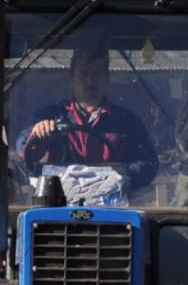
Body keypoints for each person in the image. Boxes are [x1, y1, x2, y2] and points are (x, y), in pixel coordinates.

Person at [16, 41, 158, 191]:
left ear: (107, 77)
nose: (90, 81)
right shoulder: (52, 115)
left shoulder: (127, 121)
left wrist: (120, 177)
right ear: (71, 77)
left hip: (111, 206)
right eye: (84, 74)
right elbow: (24, 149)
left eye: (97, 73)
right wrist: (39, 135)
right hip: (60, 206)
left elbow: (148, 164)